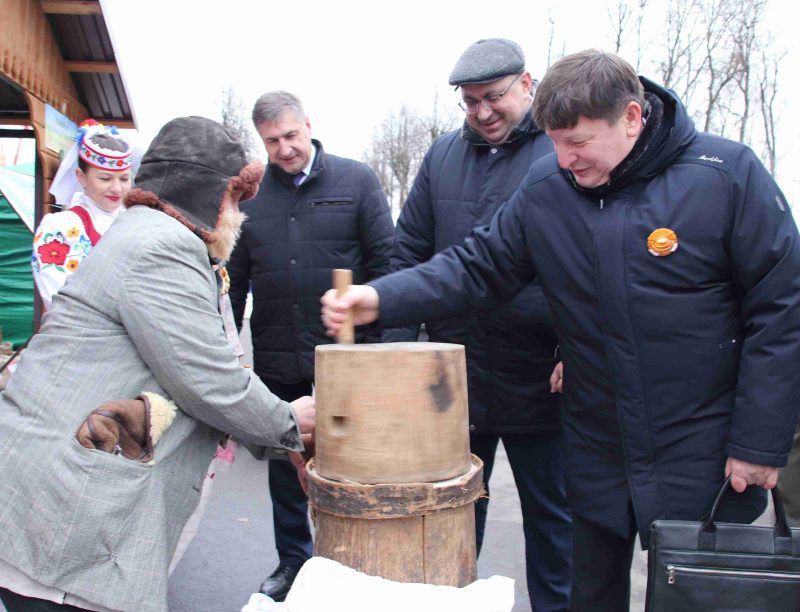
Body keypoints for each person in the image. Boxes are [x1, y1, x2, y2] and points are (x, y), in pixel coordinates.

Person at [322, 50, 800, 611]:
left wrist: (758, 442)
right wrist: (379, 297)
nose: (564, 158)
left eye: (578, 142)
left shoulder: (723, 176)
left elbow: (782, 308)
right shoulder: (547, 185)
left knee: (698, 596)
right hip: (597, 442)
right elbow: (478, 265)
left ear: (631, 117)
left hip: (703, 445)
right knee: (588, 594)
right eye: (554, 141)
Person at [0, 116, 315, 612]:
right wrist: (291, 423)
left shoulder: (147, 233)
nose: (238, 215)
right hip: (67, 508)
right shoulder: (162, 246)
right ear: (207, 191)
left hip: (56, 490)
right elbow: (206, 379)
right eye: (234, 199)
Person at [384, 38, 571, 610]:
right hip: (452, 377)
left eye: (494, 97)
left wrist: (575, 347)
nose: (483, 112)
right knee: (453, 514)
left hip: (539, 375)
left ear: (527, 84)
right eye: (470, 102)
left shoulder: (561, 152)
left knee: (554, 518)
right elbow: (409, 252)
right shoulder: (442, 157)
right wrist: (395, 350)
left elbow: (589, 265)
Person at [227, 91, 394, 601]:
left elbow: (388, 263)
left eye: (291, 136)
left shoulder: (356, 180)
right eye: (272, 141)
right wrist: (227, 357)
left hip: (349, 356)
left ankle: (357, 564)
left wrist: (387, 349)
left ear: (309, 126)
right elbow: (234, 283)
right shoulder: (250, 199)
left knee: (356, 463)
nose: (284, 149)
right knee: (286, 466)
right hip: (279, 354)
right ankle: (294, 565)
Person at [32, 119, 133, 309]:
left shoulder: (136, 222)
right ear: (81, 177)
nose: (117, 188)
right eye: (105, 178)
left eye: (124, 179)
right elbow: (58, 300)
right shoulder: (60, 227)